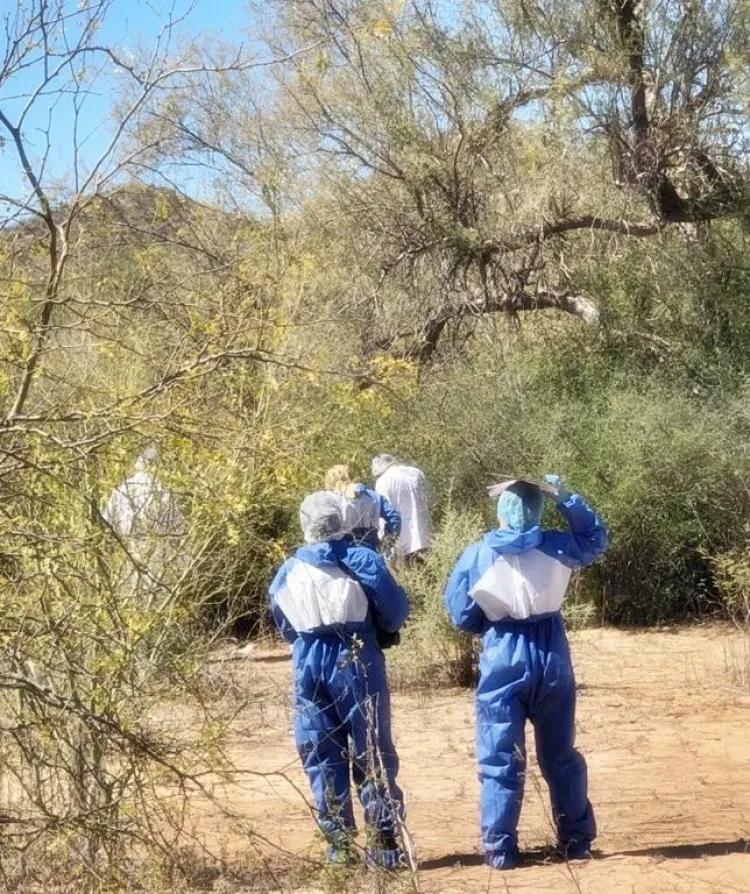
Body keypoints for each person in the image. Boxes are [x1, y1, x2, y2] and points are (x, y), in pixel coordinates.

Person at [444, 475, 608, 870]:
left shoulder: (478, 553)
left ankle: (500, 850)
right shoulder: (556, 545)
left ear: (501, 510)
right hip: (551, 650)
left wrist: (490, 624)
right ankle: (577, 841)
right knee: (560, 754)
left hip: (503, 652)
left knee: (500, 756)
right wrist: (569, 500)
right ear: (538, 509)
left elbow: (461, 613)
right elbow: (596, 539)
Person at [268, 491, 410, 868]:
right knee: (372, 750)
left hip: (308, 660)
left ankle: (340, 849)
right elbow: (395, 612)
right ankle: (384, 846)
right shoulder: (362, 559)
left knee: (320, 751)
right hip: (356, 655)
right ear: (341, 519)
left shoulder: (288, 570)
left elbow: (283, 622)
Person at [102, 446, 188, 604]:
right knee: (157, 596)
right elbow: (179, 531)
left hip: (129, 550)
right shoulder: (165, 493)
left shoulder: (121, 490)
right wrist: (183, 566)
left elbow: (106, 525)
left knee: (130, 595)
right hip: (159, 553)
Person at [324, 464, 401, 551]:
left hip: (346, 552)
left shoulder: (335, 501)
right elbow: (395, 517)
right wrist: (388, 541)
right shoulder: (374, 496)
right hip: (372, 548)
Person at [371, 455, 433, 561]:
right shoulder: (416, 472)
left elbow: (385, 512)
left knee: (412, 573)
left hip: (403, 540)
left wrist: (384, 538)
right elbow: (430, 499)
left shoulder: (382, 481)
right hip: (426, 533)